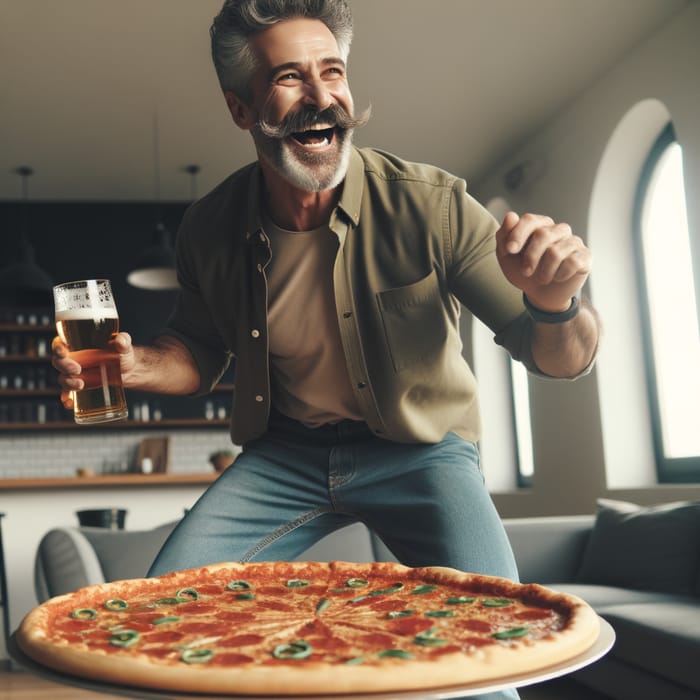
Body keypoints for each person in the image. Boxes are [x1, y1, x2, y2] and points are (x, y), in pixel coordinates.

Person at [53, 2, 600, 696]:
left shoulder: (433, 205)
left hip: (421, 453)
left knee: (493, 648)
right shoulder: (209, 227)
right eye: (288, 77)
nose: (320, 97)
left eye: (332, 72)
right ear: (240, 108)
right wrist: (136, 366)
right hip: (286, 458)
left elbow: (562, 358)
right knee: (165, 611)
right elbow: (195, 351)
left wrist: (557, 304)